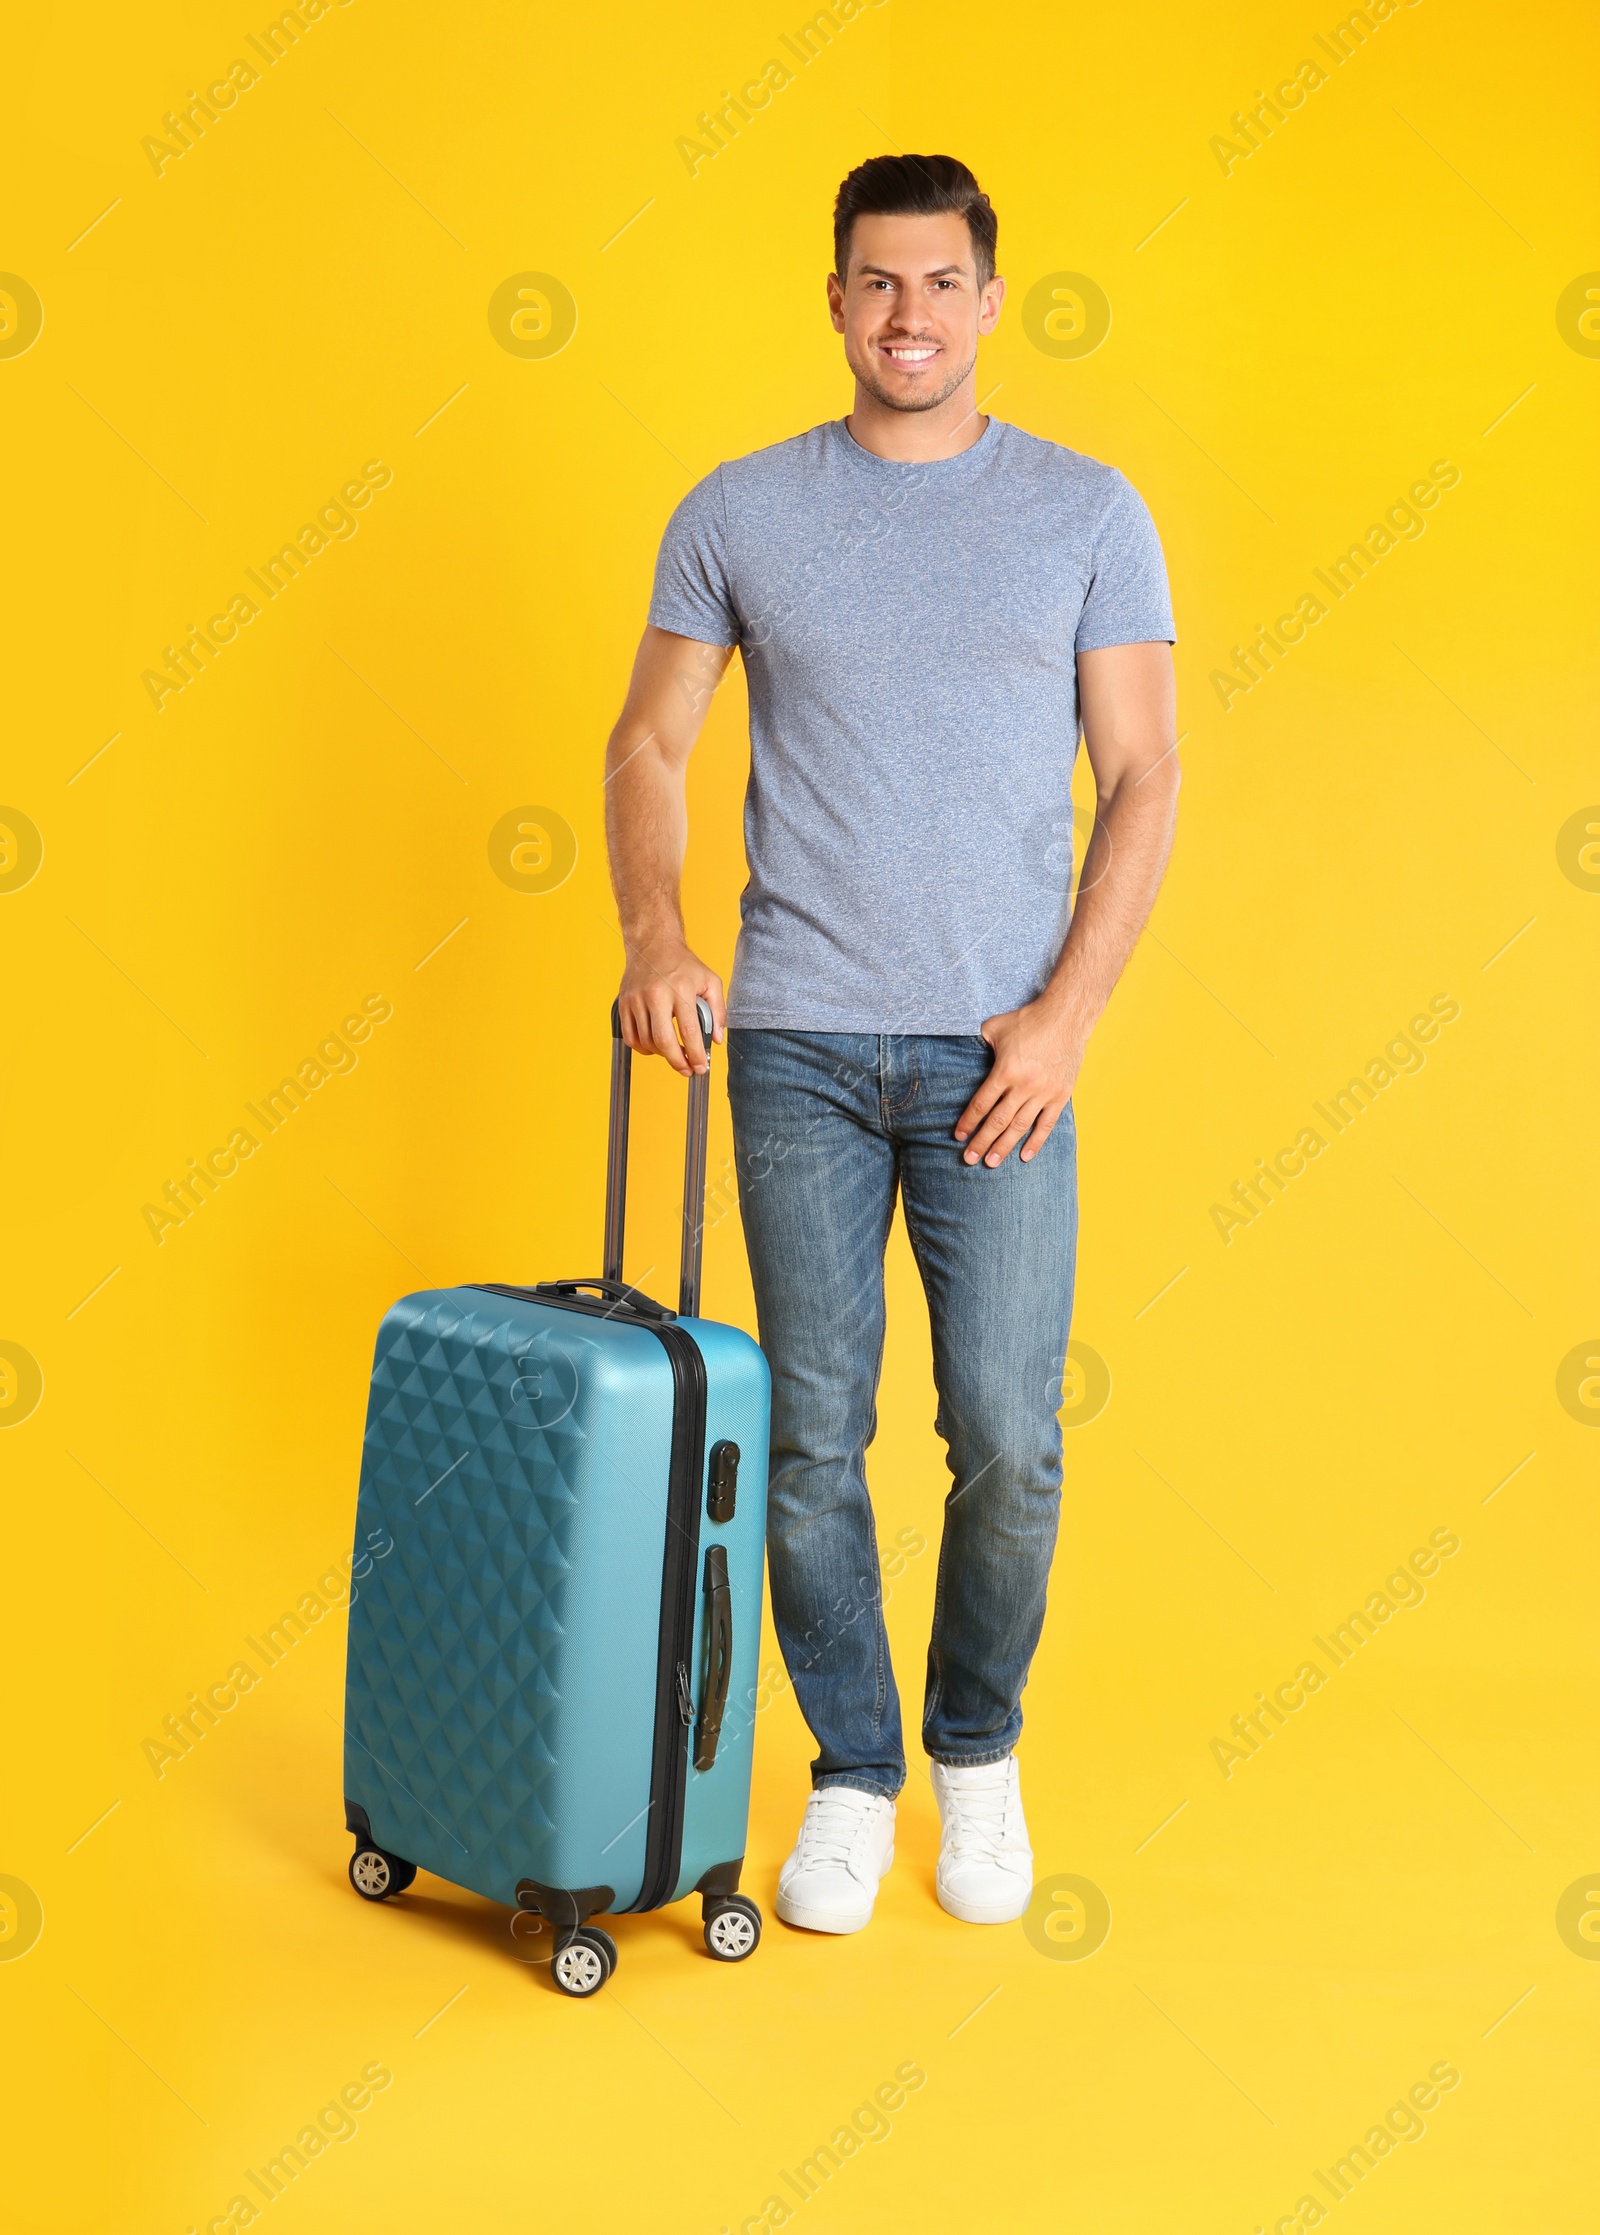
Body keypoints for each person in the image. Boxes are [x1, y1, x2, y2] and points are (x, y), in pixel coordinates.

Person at [604, 153, 1178, 1934]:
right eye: (876, 283)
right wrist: (655, 933)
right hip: (792, 1044)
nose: (909, 314)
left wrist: (1067, 1020)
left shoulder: (1087, 512)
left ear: (991, 302)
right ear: (835, 299)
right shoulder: (740, 509)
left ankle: (977, 1756)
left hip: (1003, 1057)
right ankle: (854, 1776)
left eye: (941, 284)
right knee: (810, 1436)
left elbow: (1146, 778)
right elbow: (646, 746)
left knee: (1008, 1436)